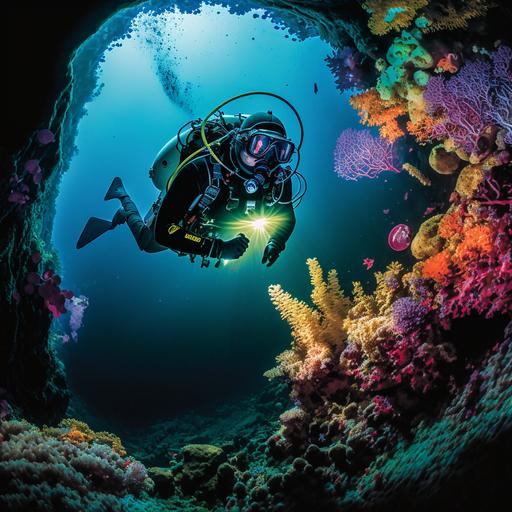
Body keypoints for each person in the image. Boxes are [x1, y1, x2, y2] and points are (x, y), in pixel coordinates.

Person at [78, 111, 299, 267]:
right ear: (241, 141)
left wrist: (276, 242)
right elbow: (165, 231)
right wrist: (217, 250)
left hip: (215, 225)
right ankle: (123, 201)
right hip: (187, 214)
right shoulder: (200, 170)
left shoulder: (278, 179)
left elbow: (286, 217)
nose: (268, 160)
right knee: (148, 243)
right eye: (259, 145)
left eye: (280, 150)